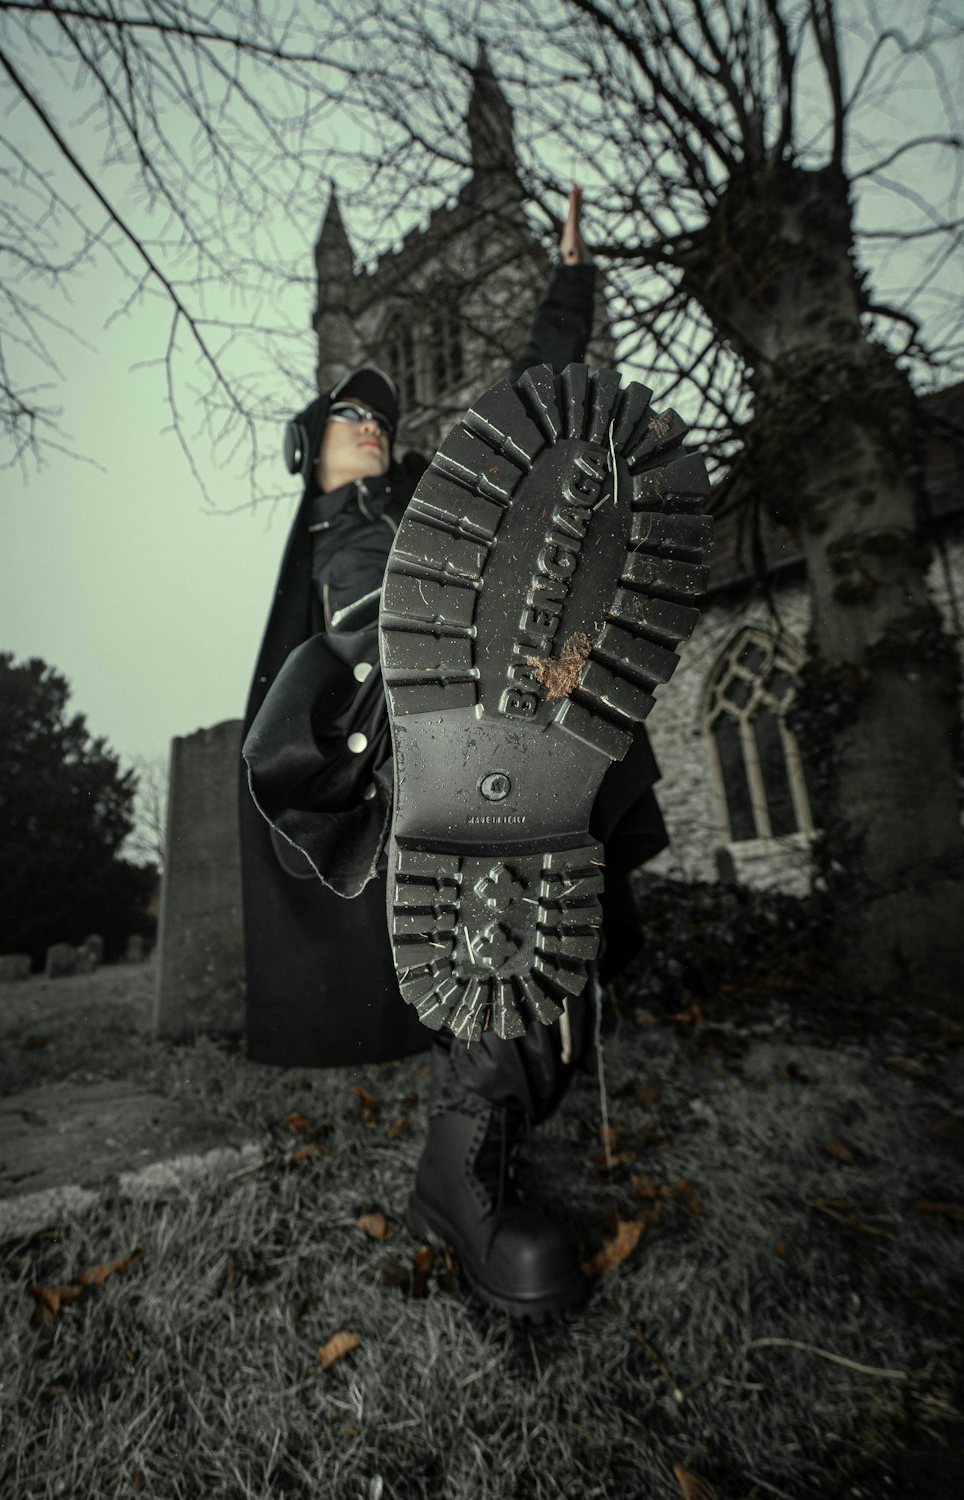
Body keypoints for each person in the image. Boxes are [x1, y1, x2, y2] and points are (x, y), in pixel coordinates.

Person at [241, 189, 703, 1319]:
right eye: (349, 416)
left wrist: (570, 281)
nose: (373, 425)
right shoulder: (338, 545)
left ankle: (476, 1142)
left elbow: (525, 405)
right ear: (312, 454)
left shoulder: (441, 500)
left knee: (558, 938)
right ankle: (461, 1168)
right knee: (500, 896)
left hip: (515, 717)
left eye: (380, 419)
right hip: (412, 744)